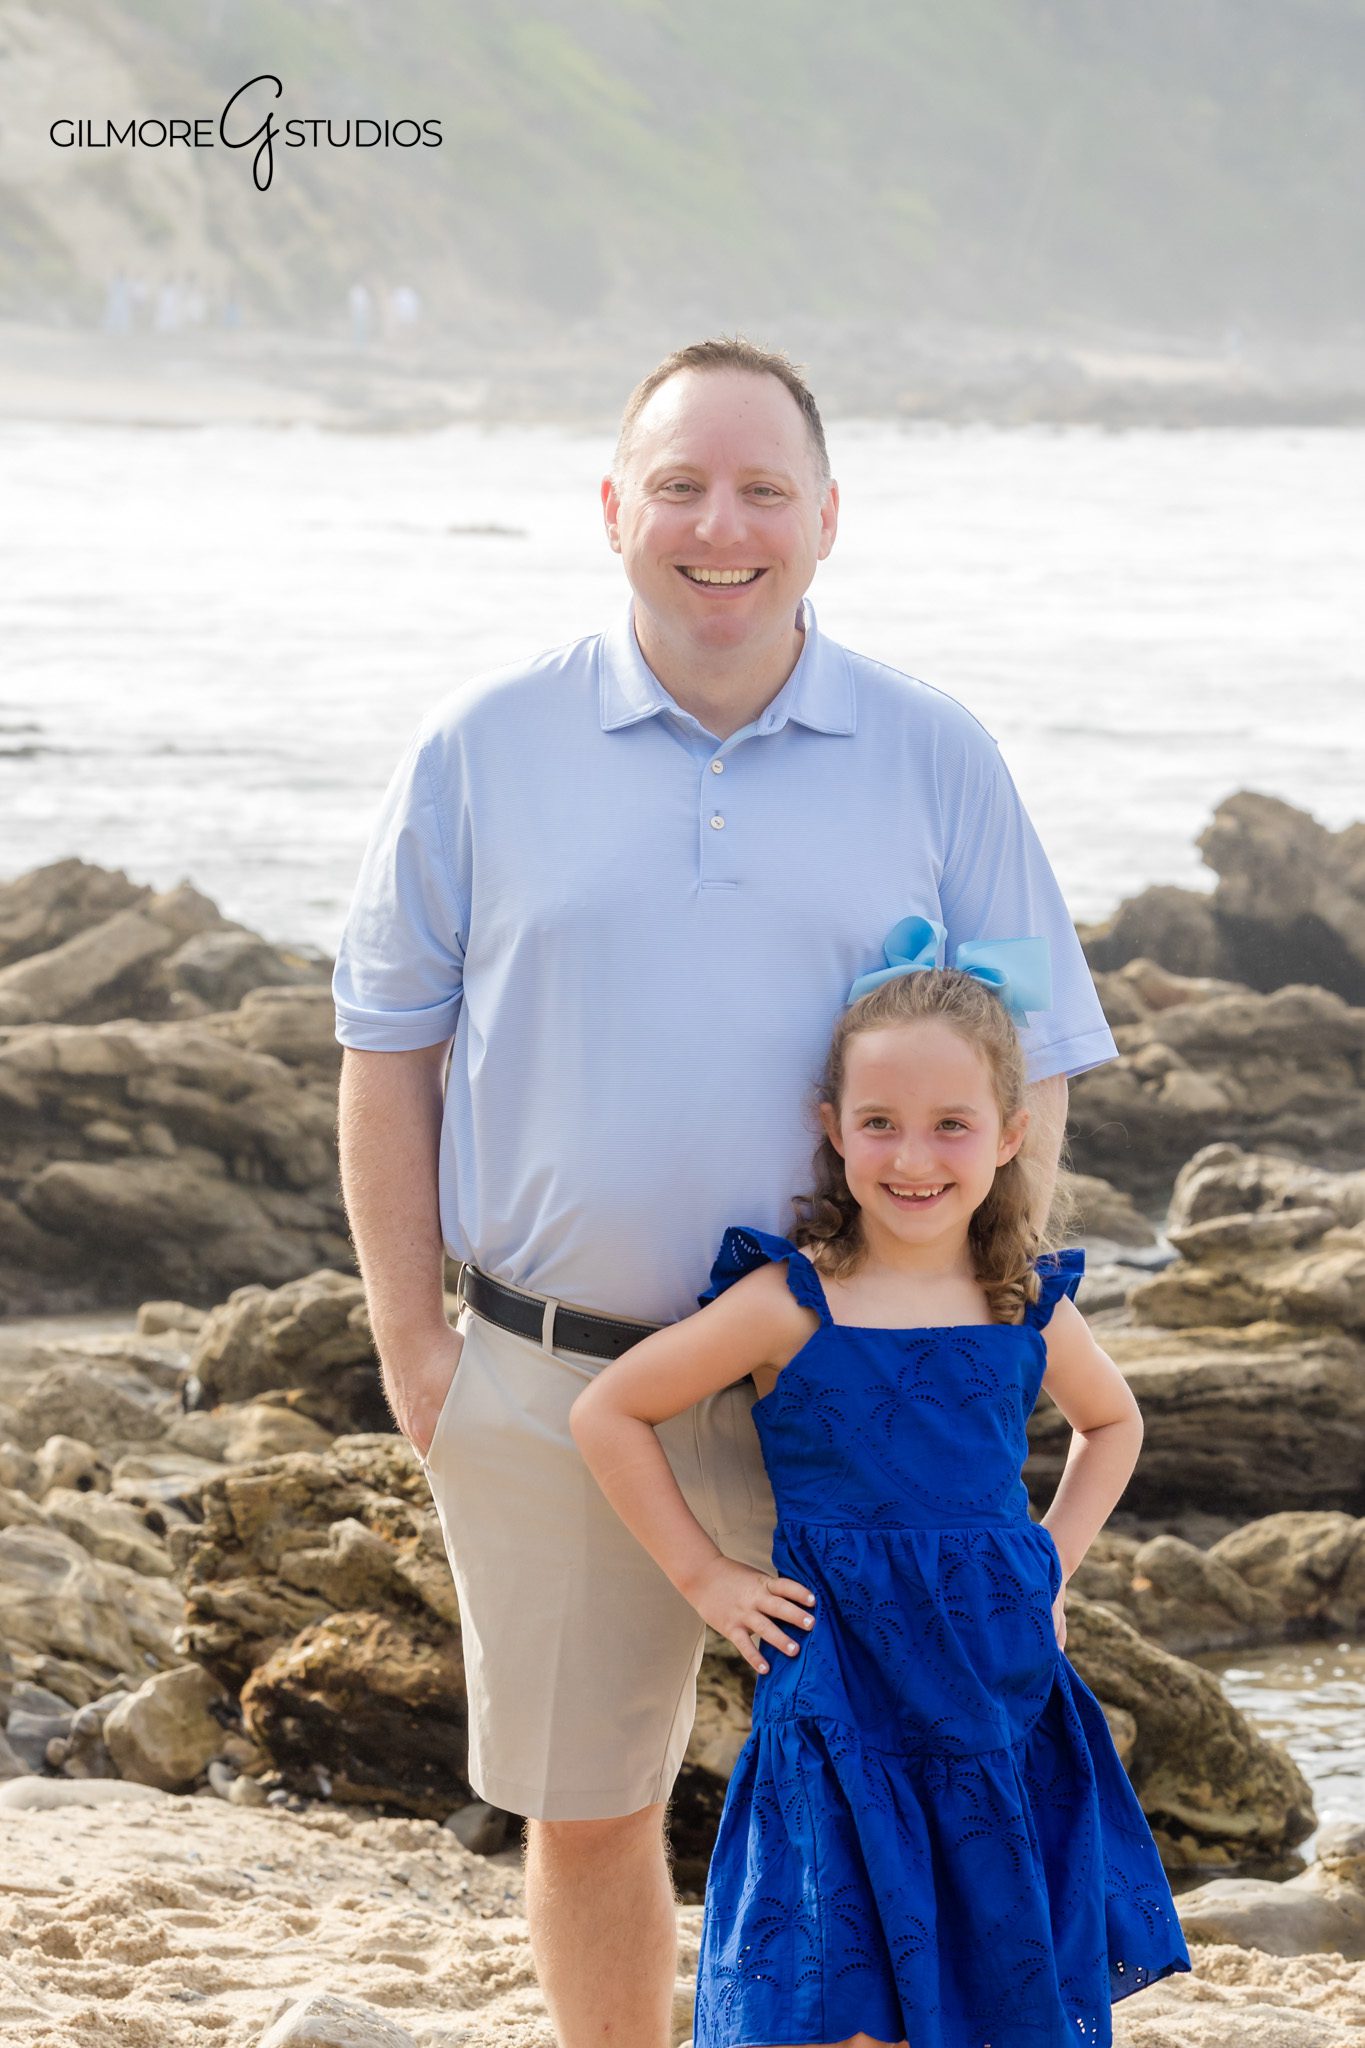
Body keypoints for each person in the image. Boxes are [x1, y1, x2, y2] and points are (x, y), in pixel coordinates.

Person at [331, 337, 1120, 2048]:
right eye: (681, 484)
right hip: (551, 1383)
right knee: (592, 1802)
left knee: (910, 1789)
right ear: (614, 507)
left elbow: (1035, 1054)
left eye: (764, 488)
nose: (721, 524)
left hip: (853, 1390)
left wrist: (972, 1329)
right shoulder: (482, 745)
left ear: (828, 519)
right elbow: (387, 1050)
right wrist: (414, 1345)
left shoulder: (932, 752)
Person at [571, 931, 1191, 2048]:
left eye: (952, 1124)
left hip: (991, 1680)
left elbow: (1113, 1423)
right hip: (842, 1678)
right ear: (833, 1128)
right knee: (836, 1989)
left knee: (987, 1976)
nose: (916, 1155)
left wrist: (1051, 1559)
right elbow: (607, 1409)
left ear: (1008, 1136)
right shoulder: (789, 1300)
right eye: (881, 1123)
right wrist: (706, 1575)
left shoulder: (1023, 1301)